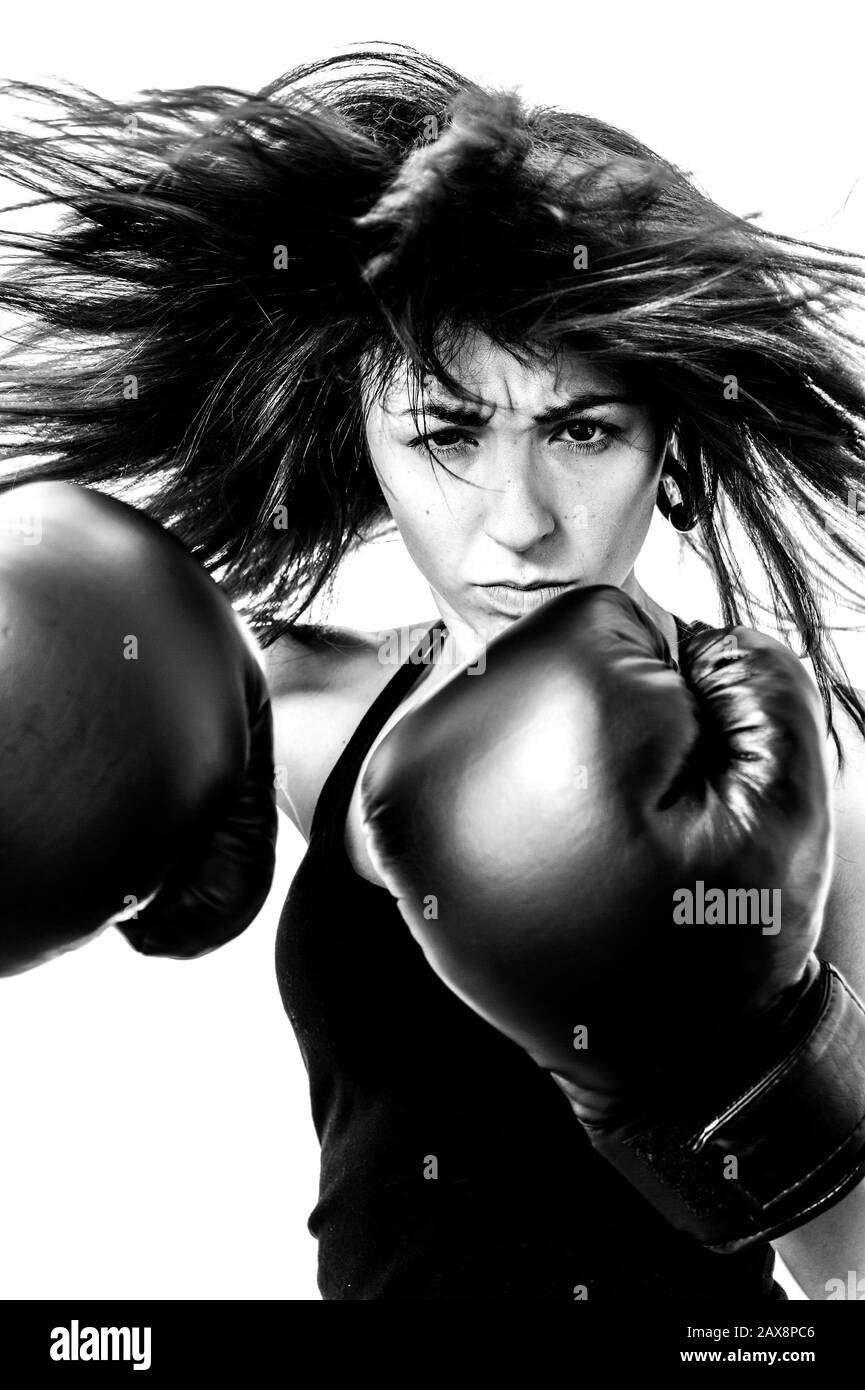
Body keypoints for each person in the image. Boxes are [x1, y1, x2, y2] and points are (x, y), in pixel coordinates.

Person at [1, 42, 864, 1301]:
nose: (518, 519)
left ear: (666, 443)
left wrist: (702, 1070)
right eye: (448, 432)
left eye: (582, 429)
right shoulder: (297, 713)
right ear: (364, 439)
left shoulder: (802, 791)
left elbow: (846, 1283)